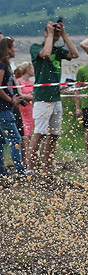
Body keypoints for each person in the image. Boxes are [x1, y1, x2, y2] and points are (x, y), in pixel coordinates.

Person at [27, 20, 78, 175]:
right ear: (45, 33)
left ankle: (46, 166)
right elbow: (45, 53)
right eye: (52, 32)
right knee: (40, 132)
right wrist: (50, 33)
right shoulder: (35, 48)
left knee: (54, 133)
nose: (54, 34)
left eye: (56, 32)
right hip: (42, 98)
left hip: (55, 97)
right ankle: (29, 166)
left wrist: (63, 34)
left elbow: (75, 54)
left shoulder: (58, 50)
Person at [0, 37, 29, 176]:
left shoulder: (6, 65)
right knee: (15, 139)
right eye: (13, 47)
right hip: (3, 109)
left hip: (4, 108)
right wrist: (11, 99)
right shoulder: (2, 66)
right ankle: (20, 170)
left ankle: (2, 171)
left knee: (1, 140)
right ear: (7, 50)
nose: (15, 50)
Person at [13, 62, 34, 142]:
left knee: (29, 136)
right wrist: (28, 96)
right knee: (24, 136)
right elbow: (20, 96)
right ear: (27, 70)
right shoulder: (18, 81)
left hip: (30, 112)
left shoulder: (32, 83)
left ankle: (29, 154)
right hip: (22, 111)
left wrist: (25, 96)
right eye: (32, 69)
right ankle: (24, 154)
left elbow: (34, 97)